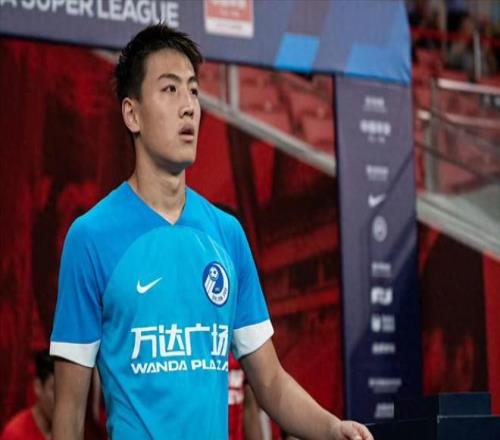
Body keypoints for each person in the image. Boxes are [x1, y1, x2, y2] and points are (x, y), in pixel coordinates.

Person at [49, 24, 373, 440]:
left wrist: (332, 428)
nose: (188, 107)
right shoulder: (90, 237)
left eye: (194, 91)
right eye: (170, 89)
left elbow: (271, 382)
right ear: (132, 114)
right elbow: (70, 410)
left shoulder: (227, 234)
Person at [1, 350, 54, 440]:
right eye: (54, 389)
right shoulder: (15, 434)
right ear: (38, 387)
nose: (61, 399)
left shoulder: (69, 427)